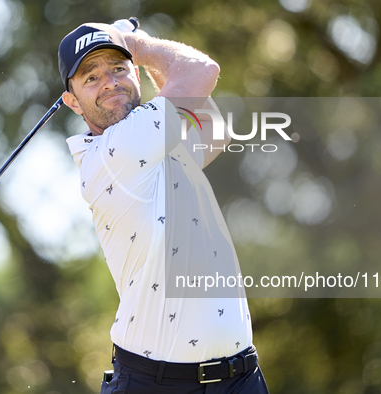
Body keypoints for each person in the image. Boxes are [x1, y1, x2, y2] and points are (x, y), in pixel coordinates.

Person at [58, 21, 269, 393]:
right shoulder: (114, 152)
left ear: (136, 76)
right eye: (90, 77)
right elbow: (201, 72)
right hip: (158, 384)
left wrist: (138, 58)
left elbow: (214, 131)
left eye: (118, 68)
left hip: (240, 379)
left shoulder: (154, 145)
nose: (109, 81)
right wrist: (135, 44)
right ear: (72, 101)